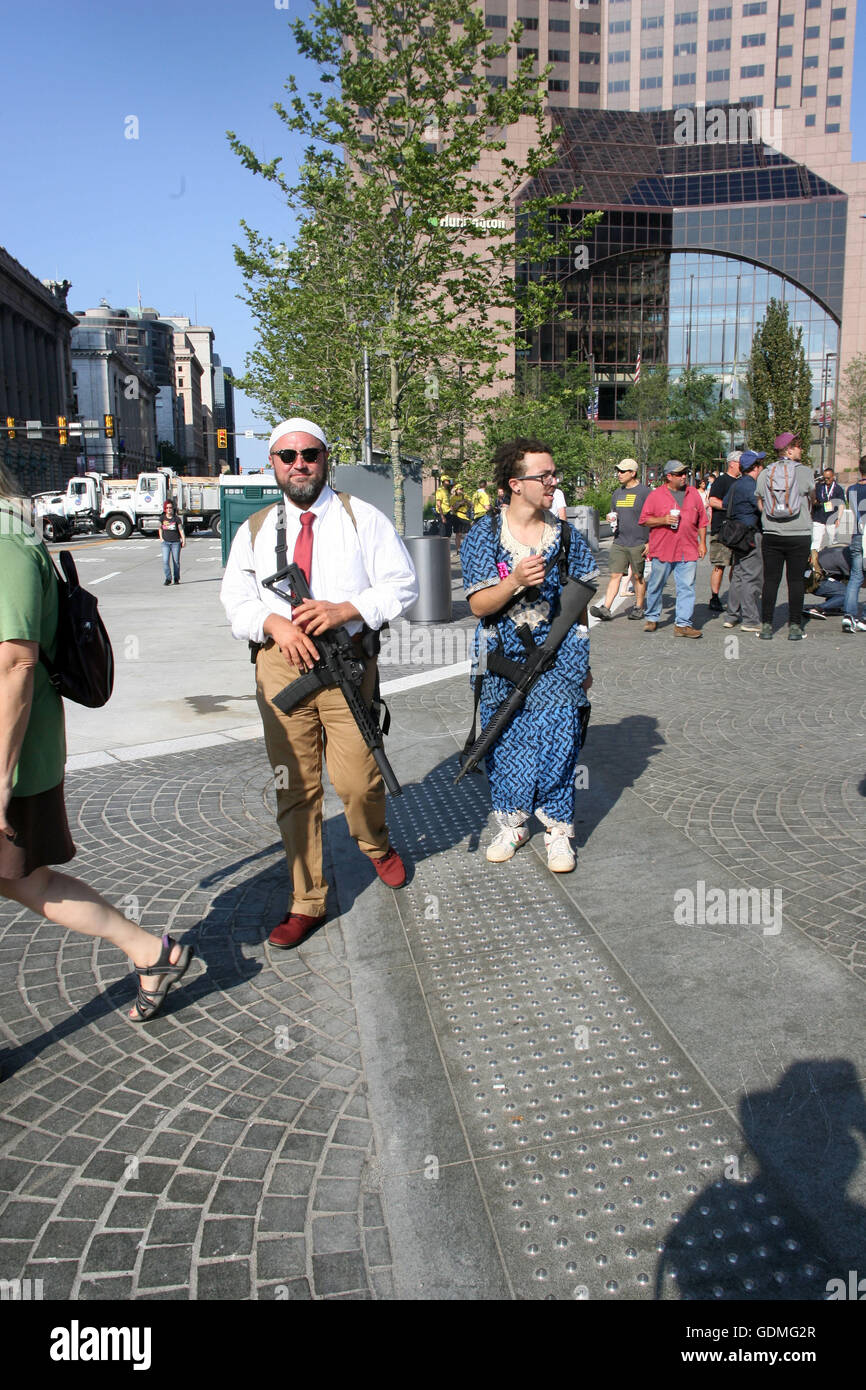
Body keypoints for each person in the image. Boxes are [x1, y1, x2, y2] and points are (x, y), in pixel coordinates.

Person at [0, 464, 192, 1023]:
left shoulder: (7, 541)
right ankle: (150, 952)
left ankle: (149, 950)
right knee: (26, 883)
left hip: (12, 757)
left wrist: (2, 778)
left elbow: (15, 663)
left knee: (29, 881)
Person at [220, 418, 419, 948]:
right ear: (273, 465)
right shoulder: (256, 529)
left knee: (358, 781)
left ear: (326, 458)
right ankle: (307, 900)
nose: (299, 463)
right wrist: (274, 623)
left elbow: (403, 586)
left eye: (310, 453)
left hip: (346, 664)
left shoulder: (362, 519)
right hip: (280, 667)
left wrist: (347, 608)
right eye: (288, 456)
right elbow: (235, 600)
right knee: (296, 788)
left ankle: (375, 844)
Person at [459, 438, 596, 874]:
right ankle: (513, 822)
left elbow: (582, 601)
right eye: (544, 476)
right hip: (501, 652)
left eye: (554, 474)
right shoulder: (483, 534)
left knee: (560, 737)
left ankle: (558, 829)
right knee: (506, 739)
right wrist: (514, 580)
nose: (553, 482)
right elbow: (479, 605)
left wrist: (584, 660)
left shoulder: (567, 534)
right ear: (516, 484)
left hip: (557, 653)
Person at [755, 431, 815, 641]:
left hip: (772, 533)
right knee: (796, 581)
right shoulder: (805, 472)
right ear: (789, 450)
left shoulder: (766, 473)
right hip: (799, 534)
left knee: (770, 580)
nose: (801, 450)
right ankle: (795, 626)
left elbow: (760, 501)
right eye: (798, 446)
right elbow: (812, 498)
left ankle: (766, 625)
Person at [639, 460, 708, 637]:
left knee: (687, 587)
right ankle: (652, 618)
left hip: (688, 549)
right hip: (663, 549)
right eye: (679, 474)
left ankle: (682, 624)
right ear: (669, 476)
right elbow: (644, 520)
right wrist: (663, 520)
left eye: (685, 473)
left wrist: (702, 542)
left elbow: (702, 520)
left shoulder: (693, 493)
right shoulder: (656, 495)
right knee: (656, 585)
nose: (684, 476)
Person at [590, 458, 650, 622]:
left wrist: (650, 542)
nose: (619, 474)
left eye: (623, 471)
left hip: (638, 541)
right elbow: (614, 513)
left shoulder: (645, 493)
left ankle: (638, 607)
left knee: (637, 576)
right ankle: (606, 608)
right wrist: (611, 517)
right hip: (619, 541)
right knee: (615, 574)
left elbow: (651, 518)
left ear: (633, 473)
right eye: (618, 471)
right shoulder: (617, 493)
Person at [722, 449, 765, 633]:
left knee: (739, 575)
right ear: (755, 467)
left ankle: (731, 616)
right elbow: (763, 507)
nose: (763, 467)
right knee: (752, 576)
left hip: (735, 534)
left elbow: (724, 504)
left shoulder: (736, 484)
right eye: (761, 464)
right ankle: (750, 619)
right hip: (749, 534)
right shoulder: (751, 486)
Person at [706, 451, 741, 612]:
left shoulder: (742, 481)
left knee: (736, 565)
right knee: (720, 565)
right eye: (741, 462)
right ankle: (714, 596)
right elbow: (712, 500)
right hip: (722, 529)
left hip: (739, 530)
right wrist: (729, 507)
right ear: (732, 463)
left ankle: (734, 596)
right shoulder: (721, 481)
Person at [841, 455, 866, 633]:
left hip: (857, 535)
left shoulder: (851, 489)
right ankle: (864, 617)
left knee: (856, 576)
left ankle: (848, 616)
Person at [810, 465, 846, 562]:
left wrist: (839, 518)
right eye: (824, 478)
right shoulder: (819, 487)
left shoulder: (838, 489)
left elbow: (841, 504)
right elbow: (813, 499)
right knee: (816, 541)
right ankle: (813, 563)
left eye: (828, 478)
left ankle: (832, 562)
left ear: (833, 476)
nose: (826, 480)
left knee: (833, 542)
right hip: (818, 518)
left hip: (832, 518)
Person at [158, 500, 185, 586]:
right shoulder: (162, 518)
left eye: (170, 508)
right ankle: (168, 578)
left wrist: (183, 539)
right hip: (165, 542)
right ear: (165, 509)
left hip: (176, 543)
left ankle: (176, 578)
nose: (169, 509)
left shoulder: (177, 519)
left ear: (173, 508)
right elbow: (160, 528)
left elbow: (180, 529)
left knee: (176, 561)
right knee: (165, 561)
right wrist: (161, 538)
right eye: (167, 508)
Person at [450, 481, 471, 554]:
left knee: (468, 533)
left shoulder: (465, 496)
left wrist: (466, 501)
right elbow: (452, 508)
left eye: (462, 489)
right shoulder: (453, 498)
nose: (461, 490)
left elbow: (471, 505)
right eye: (460, 489)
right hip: (457, 516)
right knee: (458, 534)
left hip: (465, 516)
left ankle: (468, 548)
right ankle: (458, 549)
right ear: (456, 490)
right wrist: (459, 503)